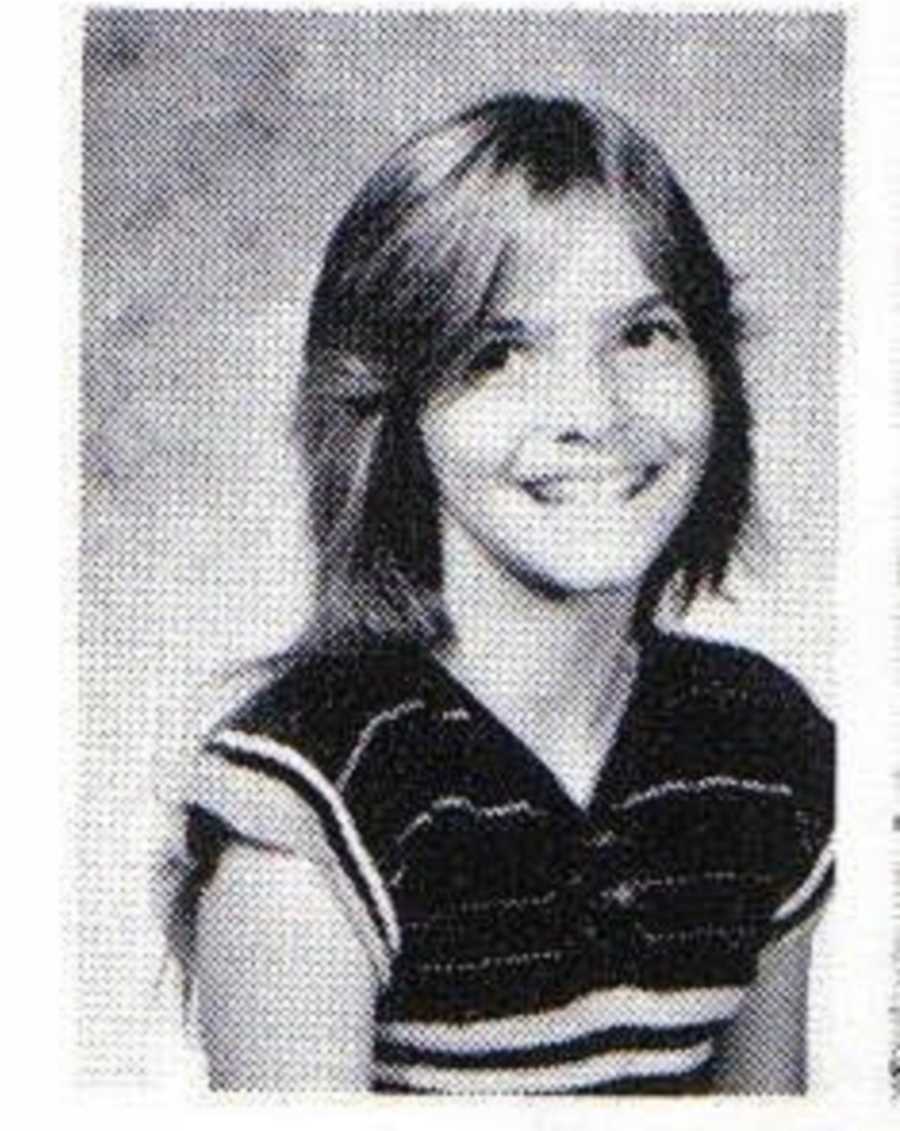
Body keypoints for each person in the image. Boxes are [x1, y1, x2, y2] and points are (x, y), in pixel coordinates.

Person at [160, 92, 834, 1094]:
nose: (591, 413)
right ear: (394, 419)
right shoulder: (312, 806)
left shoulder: (761, 747)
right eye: (497, 355)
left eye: (644, 335)